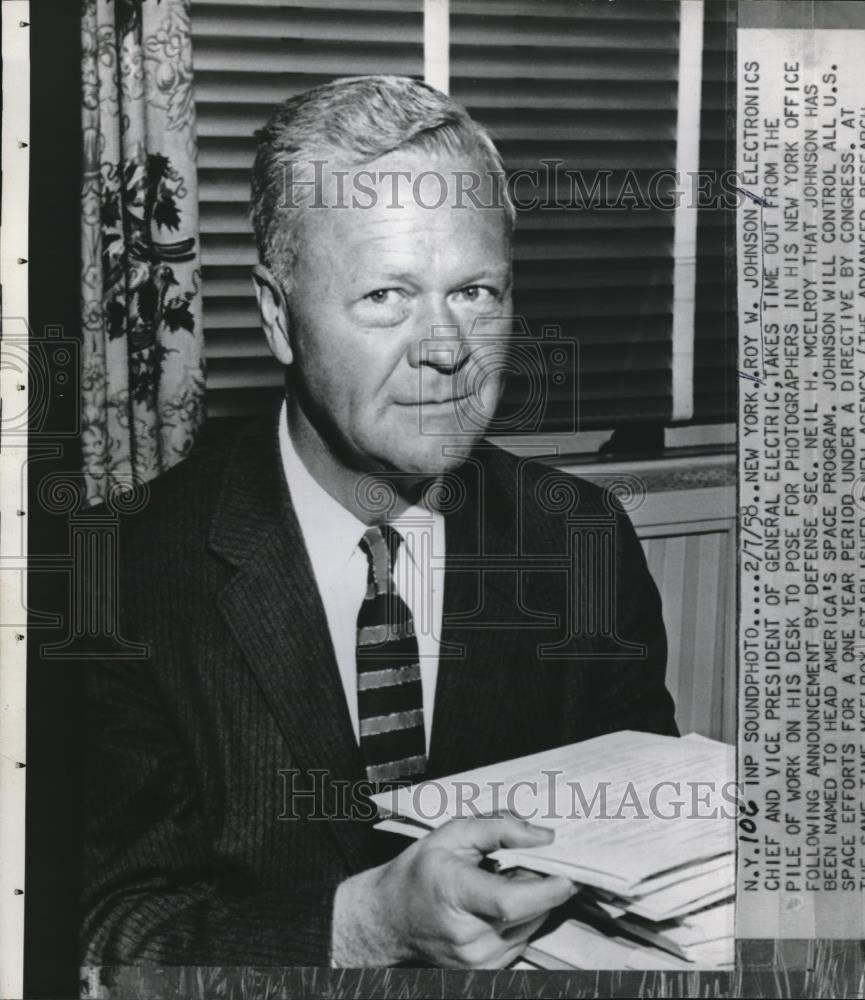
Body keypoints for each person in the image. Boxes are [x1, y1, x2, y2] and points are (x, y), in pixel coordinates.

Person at [80, 75, 678, 970]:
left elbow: (657, 862)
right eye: (386, 295)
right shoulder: (118, 573)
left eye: (475, 291)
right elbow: (99, 934)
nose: (446, 347)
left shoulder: (579, 538)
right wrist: (365, 926)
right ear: (279, 318)